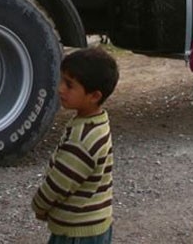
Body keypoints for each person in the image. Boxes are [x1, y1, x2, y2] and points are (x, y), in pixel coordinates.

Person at [32, 47, 119, 244]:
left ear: (94, 96)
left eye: (69, 85)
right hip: (93, 226)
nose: (60, 88)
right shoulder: (97, 121)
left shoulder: (83, 138)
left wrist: (39, 206)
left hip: (77, 232)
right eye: (62, 80)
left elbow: (59, 183)